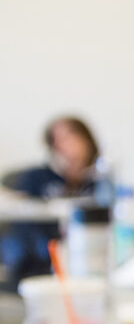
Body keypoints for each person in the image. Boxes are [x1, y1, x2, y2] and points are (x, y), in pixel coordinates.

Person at [1, 116, 101, 288]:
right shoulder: (35, 178)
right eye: (58, 140)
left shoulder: (100, 181)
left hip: (90, 259)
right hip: (39, 263)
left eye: (71, 136)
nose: (66, 145)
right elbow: (25, 223)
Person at [4, 116, 100, 199]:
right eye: (54, 140)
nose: (60, 145)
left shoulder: (103, 178)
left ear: (87, 141)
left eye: (67, 137)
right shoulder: (36, 179)